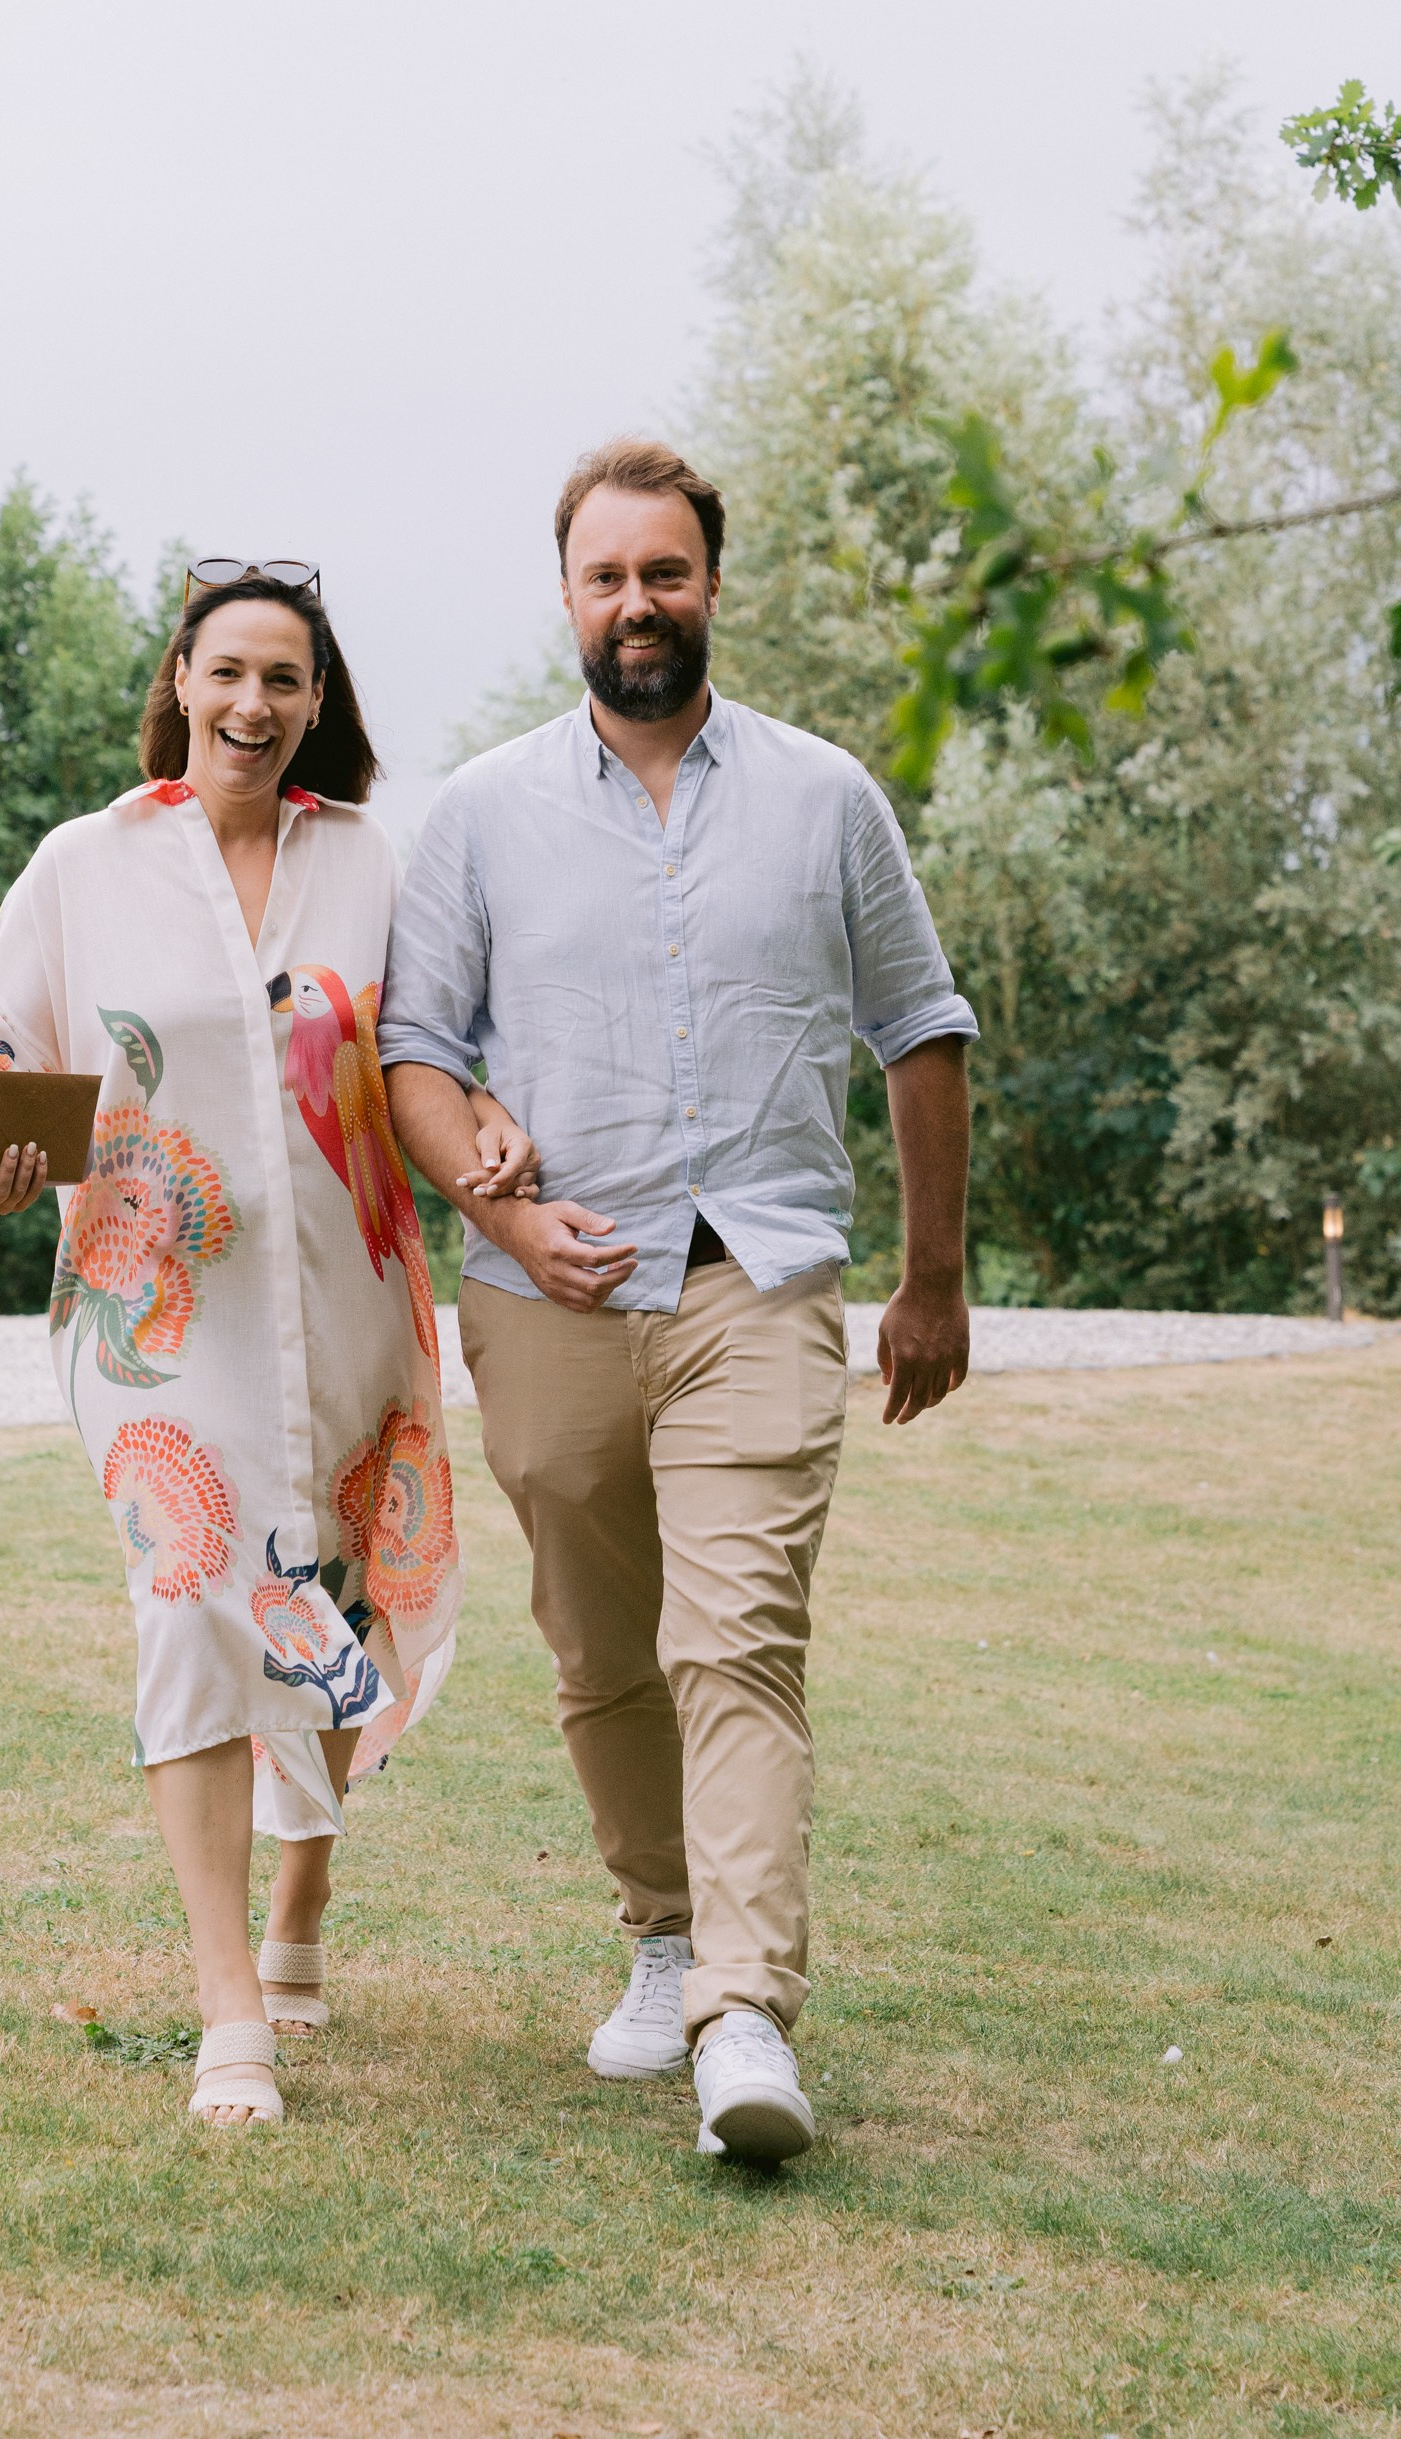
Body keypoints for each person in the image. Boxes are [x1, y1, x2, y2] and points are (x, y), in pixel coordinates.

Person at [382, 439, 975, 2167]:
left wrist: (931, 1284)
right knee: (602, 1653)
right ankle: (660, 1934)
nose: (637, 603)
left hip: (758, 1279)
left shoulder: (824, 797)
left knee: (736, 1640)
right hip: (542, 1291)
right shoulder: (482, 811)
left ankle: (742, 2015)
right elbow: (414, 1055)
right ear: (564, 597)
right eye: (604, 576)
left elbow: (920, 1030)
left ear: (712, 583)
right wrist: (483, 1175)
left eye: (665, 572)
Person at [0, 563, 538, 2133]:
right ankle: (229, 2015)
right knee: (193, 1606)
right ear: (181, 677)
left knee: (332, 1588)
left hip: (346, 1292)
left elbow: (423, 1053)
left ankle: (301, 1904)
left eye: (287, 682)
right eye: (230, 674)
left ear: (318, 704)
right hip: (159, 1312)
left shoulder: (366, 863)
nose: (255, 707)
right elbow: (6, 1054)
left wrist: (489, 1133)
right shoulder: (86, 863)